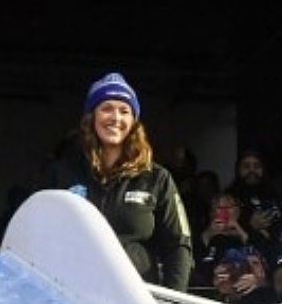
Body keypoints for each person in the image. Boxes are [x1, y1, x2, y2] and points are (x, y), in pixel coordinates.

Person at [39, 72, 192, 291]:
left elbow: (178, 246)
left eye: (124, 111)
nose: (116, 118)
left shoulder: (157, 178)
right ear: (91, 117)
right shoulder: (61, 173)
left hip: (137, 301)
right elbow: (42, 239)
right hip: (75, 299)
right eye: (106, 108)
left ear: (133, 122)